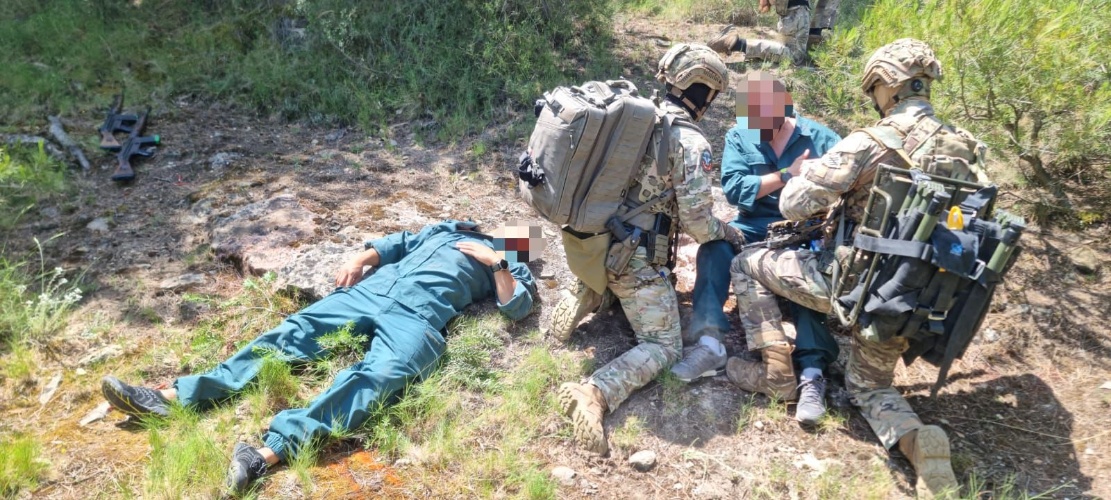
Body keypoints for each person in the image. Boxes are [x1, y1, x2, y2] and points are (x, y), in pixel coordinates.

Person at [99, 220, 542, 494]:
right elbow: (398, 242)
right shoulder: (450, 229)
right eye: (516, 231)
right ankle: (173, 397)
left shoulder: (508, 263)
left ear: (524, 250)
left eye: (524, 240)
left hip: (419, 318)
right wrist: (361, 258)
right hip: (370, 292)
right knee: (291, 333)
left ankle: (265, 454)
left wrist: (497, 262)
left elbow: (516, 307)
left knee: (385, 376)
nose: (518, 236)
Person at [728, 39, 987, 497]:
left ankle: (776, 372)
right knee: (869, 388)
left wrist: (813, 179)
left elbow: (792, 203)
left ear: (884, 87)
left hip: (853, 284)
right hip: (915, 295)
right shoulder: (968, 149)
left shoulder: (870, 141)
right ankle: (916, 440)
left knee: (746, 262)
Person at [553, 43, 746, 455]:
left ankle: (589, 289)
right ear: (706, 93)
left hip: (593, 240)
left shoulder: (632, 117)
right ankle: (595, 392)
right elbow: (698, 223)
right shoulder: (690, 142)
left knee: (622, 278)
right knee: (665, 347)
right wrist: (727, 233)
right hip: (635, 259)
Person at [669, 71, 842, 426]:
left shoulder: (822, 138)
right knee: (714, 248)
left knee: (805, 273)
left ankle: (812, 372)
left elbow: (847, 186)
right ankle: (710, 344)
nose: (757, 126)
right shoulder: (740, 135)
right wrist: (786, 175)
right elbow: (734, 188)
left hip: (804, 229)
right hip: (753, 225)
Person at [708, 0, 840, 64]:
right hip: (798, 13)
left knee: (788, 49)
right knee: (795, 57)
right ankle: (737, 43)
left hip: (790, 14)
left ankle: (737, 43)